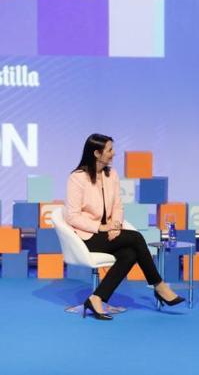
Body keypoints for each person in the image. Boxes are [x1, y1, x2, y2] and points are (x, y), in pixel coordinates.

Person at [65, 134, 184, 320]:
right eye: (109, 150)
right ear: (96, 153)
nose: (113, 153)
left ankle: (96, 298)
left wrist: (116, 226)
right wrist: (101, 227)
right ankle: (159, 285)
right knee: (136, 238)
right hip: (87, 236)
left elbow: (118, 206)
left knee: (130, 254)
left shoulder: (111, 174)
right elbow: (72, 216)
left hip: (108, 233)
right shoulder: (77, 178)